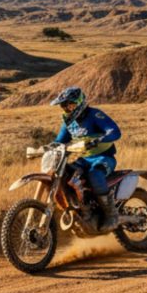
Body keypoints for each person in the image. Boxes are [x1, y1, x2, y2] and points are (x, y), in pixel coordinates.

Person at [49, 86, 121, 232]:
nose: (66, 109)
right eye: (64, 106)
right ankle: (82, 209)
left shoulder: (95, 115)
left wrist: (99, 139)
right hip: (85, 160)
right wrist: (46, 148)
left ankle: (112, 215)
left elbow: (115, 131)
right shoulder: (69, 123)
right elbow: (59, 141)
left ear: (79, 102)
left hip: (103, 158)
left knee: (94, 174)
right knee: (66, 174)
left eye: (69, 104)